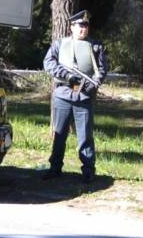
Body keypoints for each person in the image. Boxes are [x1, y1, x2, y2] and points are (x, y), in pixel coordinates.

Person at [42, 10, 108, 183]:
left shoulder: (95, 46)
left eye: (86, 25)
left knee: (85, 136)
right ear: (72, 27)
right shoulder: (59, 44)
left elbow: (101, 70)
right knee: (59, 134)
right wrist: (66, 76)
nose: (83, 29)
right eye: (80, 25)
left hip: (84, 97)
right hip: (63, 94)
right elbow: (48, 63)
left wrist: (93, 83)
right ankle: (55, 168)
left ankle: (88, 171)